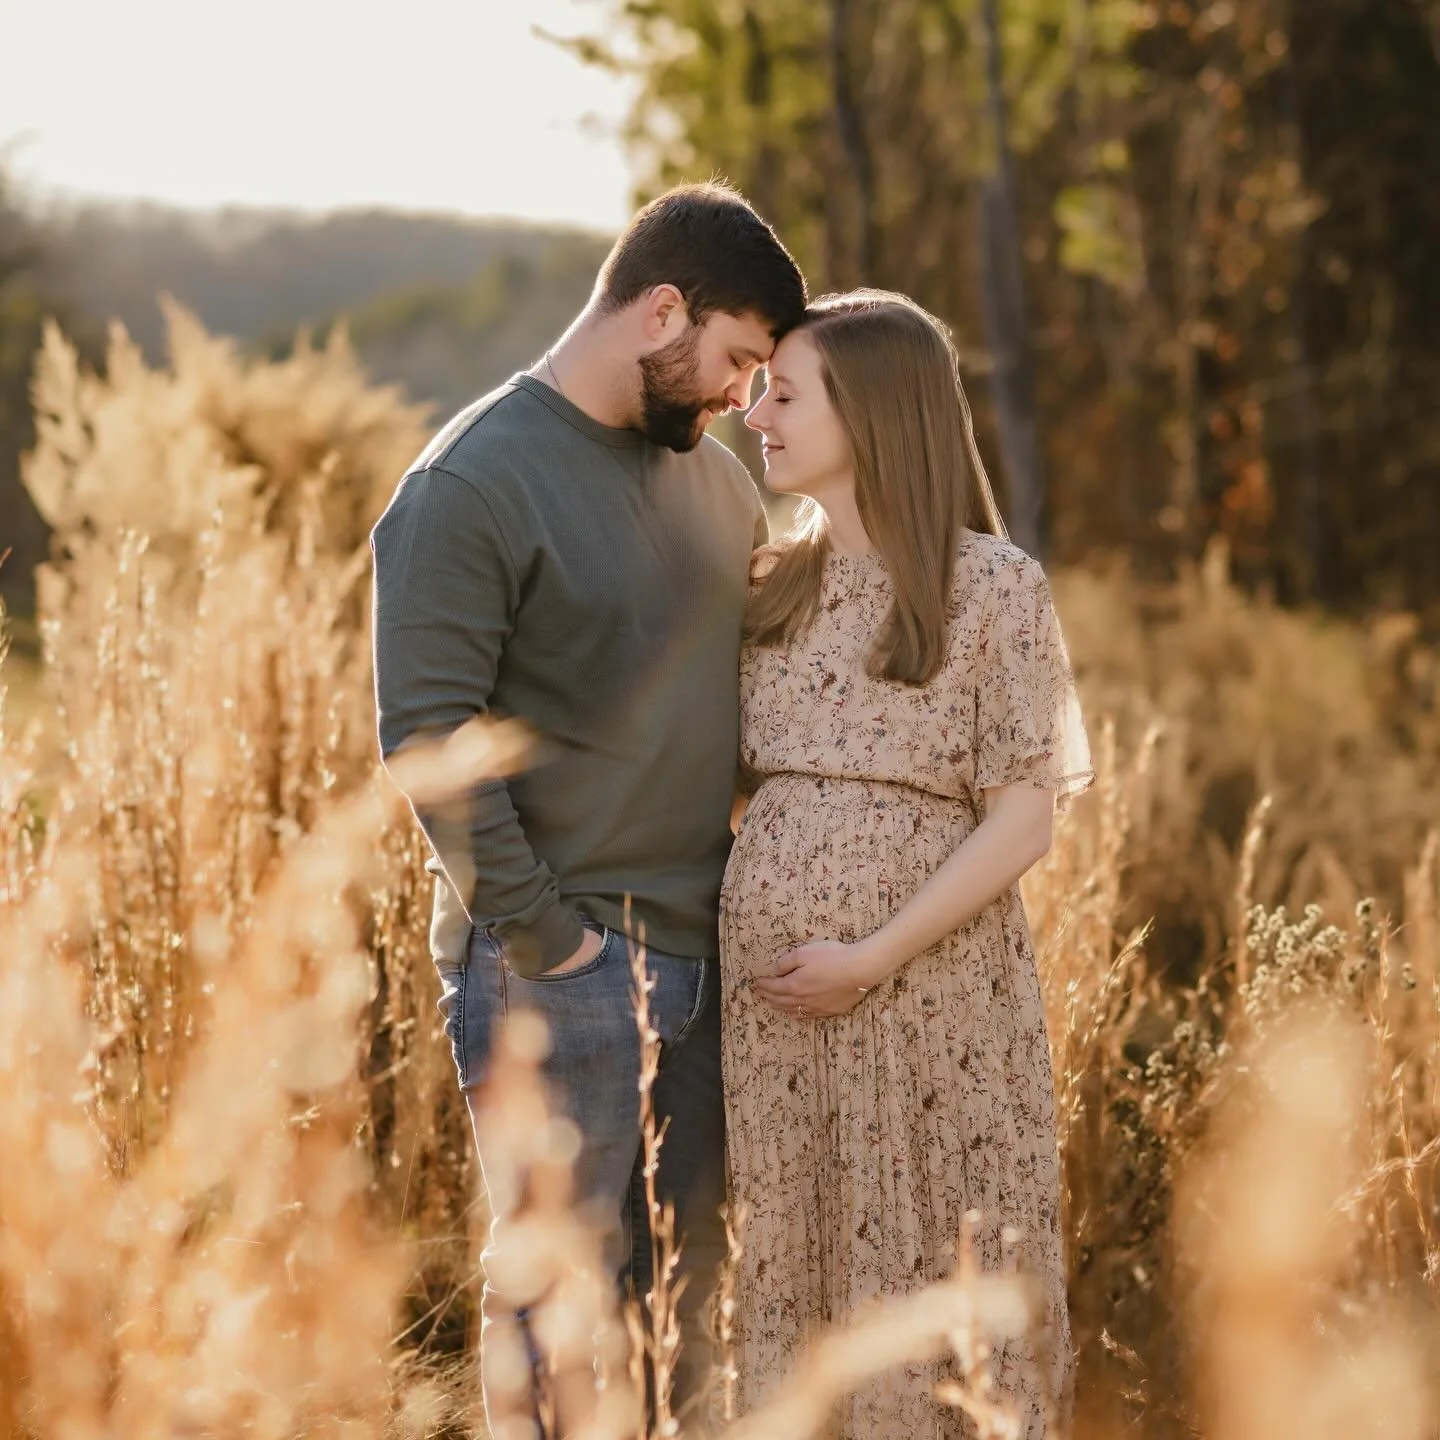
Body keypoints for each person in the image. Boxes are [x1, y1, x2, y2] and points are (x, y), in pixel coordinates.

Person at [370, 182, 806, 1430]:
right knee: (562, 1335)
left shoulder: (721, 490)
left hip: (707, 967)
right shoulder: (471, 483)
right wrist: (551, 942)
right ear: (661, 309)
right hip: (557, 977)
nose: (740, 396)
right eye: (733, 359)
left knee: (686, 1318)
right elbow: (427, 740)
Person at [723, 290, 1092, 1437]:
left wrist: (871, 956)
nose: (755, 413)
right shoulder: (766, 586)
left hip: (934, 1000)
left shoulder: (994, 589)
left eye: (783, 392)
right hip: (777, 1020)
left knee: (944, 1256)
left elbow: (1022, 822)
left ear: (874, 412)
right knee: (804, 1265)